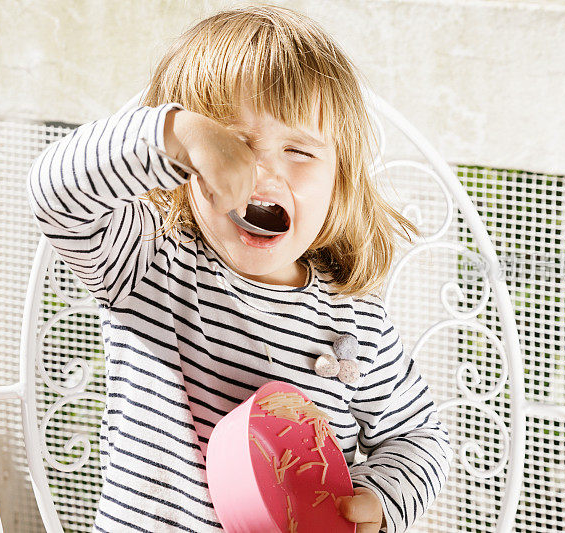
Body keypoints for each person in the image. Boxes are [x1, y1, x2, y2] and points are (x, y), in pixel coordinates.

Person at [27, 4, 452, 532]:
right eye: (233, 145)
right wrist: (178, 134)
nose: (264, 171)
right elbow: (55, 193)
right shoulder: (148, 266)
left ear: (338, 183)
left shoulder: (358, 323)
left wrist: (378, 499)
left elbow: (419, 438)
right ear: (184, 172)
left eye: (299, 150)